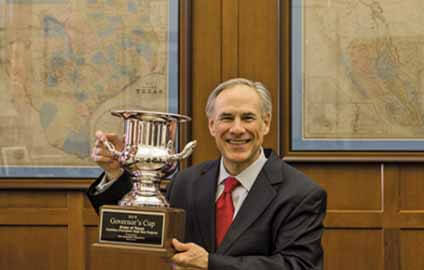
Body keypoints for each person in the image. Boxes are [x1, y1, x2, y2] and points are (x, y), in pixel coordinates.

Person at [87, 78, 327, 270]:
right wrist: (116, 171)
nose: (237, 129)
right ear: (212, 125)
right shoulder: (187, 181)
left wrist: (210, 264)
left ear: (266, 123)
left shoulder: (301, 193)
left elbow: (300, 265)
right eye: (226, 118)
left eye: (248, 118)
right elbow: (141, 228)